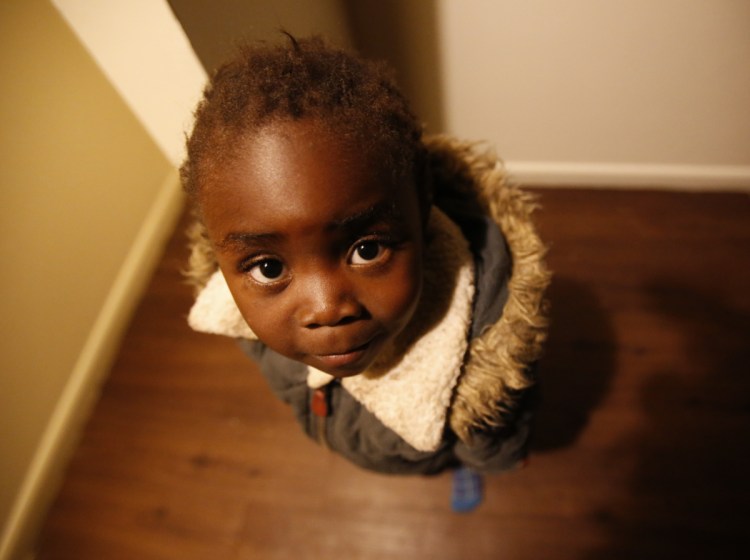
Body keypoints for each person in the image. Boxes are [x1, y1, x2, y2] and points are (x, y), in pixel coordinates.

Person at [182, 35, 549, 512]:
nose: (326, 309)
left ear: (421, 203)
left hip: (430, 451)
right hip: (343, 433)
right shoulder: (236, 312)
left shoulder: (488, 358)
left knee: (460, 458)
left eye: (366, 248)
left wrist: (489, 455)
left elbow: (498, 427)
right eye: (270, 267)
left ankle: (460, 470)